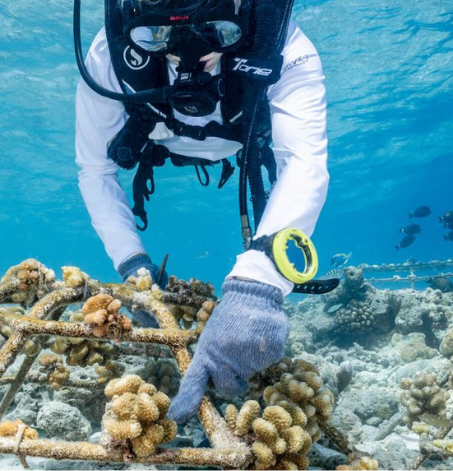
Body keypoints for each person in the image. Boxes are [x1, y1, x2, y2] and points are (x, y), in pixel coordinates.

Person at [75, 0, 329, 423]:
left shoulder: (280, 41)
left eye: (216, 29)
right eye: (161, 34)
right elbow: (95, 168)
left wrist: (260, 284)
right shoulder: (110, 54)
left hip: (244, 138)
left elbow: (304, 162)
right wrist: (133, 264)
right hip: (160, 138)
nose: (191, 53)